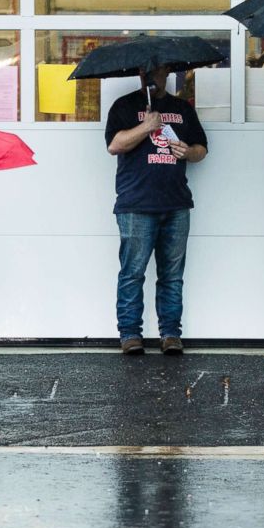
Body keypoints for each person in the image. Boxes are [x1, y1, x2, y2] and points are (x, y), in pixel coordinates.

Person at [105, 64, 208, 355]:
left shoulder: (182, 108)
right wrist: (146, 127)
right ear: (139, 75)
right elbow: (114, 145)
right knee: (132, 272)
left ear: (167, 74)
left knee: (172, 275)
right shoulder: (124, 106)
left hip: (175, 203)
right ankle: (129, 335)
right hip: (136, 204)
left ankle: (171, 334)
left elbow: (202, 148)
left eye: (157, 72)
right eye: (146, 73)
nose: (151, 78)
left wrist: (188, 152)